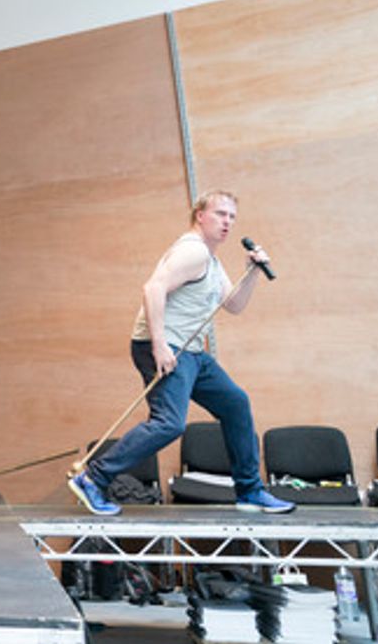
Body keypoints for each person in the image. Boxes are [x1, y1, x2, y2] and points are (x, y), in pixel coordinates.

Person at [68, 190, 294, 516]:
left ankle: (250, 492)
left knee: (235, 404)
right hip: (164, 346)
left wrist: (252, 272)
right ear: (199, 215)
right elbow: (153, 288)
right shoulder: (193, 253)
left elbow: (233, 305)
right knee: (169, 424)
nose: (227, 222)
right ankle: (94, 478)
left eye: (232, 216)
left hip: (191, 352)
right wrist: (160, 345)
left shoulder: (210, 260)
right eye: (220, 214)